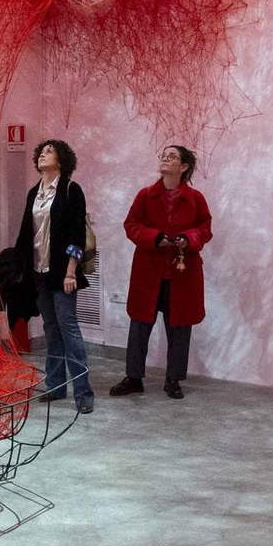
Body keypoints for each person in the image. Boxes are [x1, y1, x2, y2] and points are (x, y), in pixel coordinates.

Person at [112, 145, 213, 400]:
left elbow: (205, 229)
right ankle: (133, 377)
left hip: (182, 274)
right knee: (139, 325)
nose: (166, 159)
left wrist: (186, 239)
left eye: (173, 157)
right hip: (148, 272)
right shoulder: (145, 196)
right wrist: (155, 238)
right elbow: (131, 225)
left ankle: (173, 379)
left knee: (179, 328)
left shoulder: (196, 198)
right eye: (164, 156)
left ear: (184, 166)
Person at [8, 139, 94, 412]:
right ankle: (56, 386)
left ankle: (83, 393)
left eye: (49, 151)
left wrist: (71, 271)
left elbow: (76, 235)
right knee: (51, 328)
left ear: (61, 160)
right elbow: (27, 234)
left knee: (69, 329)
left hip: (62, 272)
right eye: (41, 152)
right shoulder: (35, 192)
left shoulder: (71, 190)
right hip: (39, 271)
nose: (42, 155)